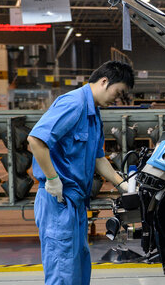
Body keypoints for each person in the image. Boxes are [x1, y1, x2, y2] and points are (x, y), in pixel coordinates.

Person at [27, 61, 134, 285]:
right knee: (62, 272)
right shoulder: (74, 103)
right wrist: (53, 179)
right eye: (119, 92)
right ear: (105, 81)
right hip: (58, 201)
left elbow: (98, 159)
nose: (118, 99)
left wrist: (123, 185)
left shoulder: (93, 113)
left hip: (75, 204)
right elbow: (36, 140)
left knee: (78, 270)